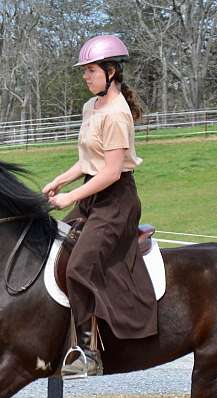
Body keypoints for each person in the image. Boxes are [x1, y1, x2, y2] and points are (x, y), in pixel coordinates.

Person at [43, 34, 157, 379]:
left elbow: (110, 172)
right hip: (91, 195)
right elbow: (88, 161)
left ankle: (90, 353)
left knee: (78, 267)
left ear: (111, 71)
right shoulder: (90, 108)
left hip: (116, 203)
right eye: (85, 71)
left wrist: (69, 198)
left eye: (90, 70)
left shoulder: (118, 114)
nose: (85, 76)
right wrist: (61, 180)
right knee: (54, 249)